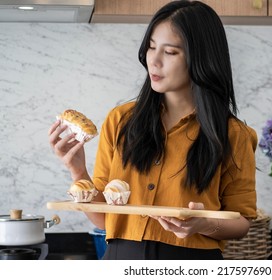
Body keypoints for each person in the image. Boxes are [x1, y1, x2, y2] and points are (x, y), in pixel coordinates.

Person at [48, 0, 257, 260]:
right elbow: (103, 219)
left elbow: (242, 222)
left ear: (201, 57)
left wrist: (201, 224)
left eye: (170, 52)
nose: (154, 61)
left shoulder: (234, 135)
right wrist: (78, 170)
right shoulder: (121, 120)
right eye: (151, 47)